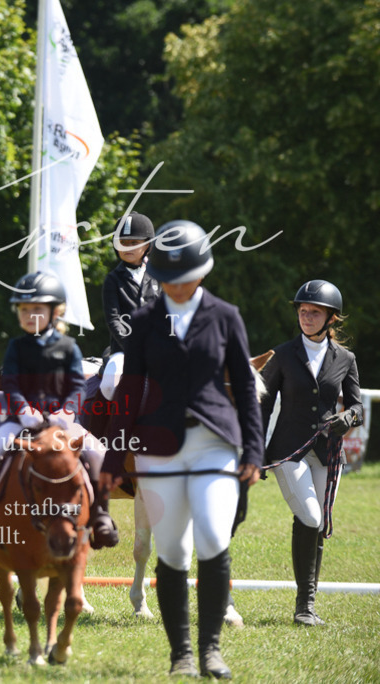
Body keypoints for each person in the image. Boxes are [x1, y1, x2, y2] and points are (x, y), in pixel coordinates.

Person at [100, 220, 263, 680]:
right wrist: (114, 457)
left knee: (212, 537)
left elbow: (246, 391)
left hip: (214, 442)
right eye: (168, 277)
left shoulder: (226, 316)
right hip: (158, 445)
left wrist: (253, 448)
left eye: (183, 276)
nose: (174, 285)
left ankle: (211, 648)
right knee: (171, 551)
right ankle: (182, 654)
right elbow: (129, 388)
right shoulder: (145, 321)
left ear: (202, 272)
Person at [0, 271, 119, 553]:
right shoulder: (16, 348)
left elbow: (76, 386)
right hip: (23, 422)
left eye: (36, 309)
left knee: (99, 453)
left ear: (55, 311)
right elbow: (10, 384)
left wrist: (68, 411)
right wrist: (23, 410)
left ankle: (100, 516)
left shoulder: (69, 347)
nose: (29, 315)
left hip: (62, 422)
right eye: (24, 310)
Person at [260, 279, 362, 626]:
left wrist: (348, 416)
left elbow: (357, 406)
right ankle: (305, 606)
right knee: (310, 517)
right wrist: (254, 452)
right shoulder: (282, 354)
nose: (306, 316)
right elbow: (262, 405)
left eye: (314, 312)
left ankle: (306, 606)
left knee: (315, 525)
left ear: (331, 317)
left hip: (327, 451)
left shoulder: (345, 358)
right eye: (302, 311)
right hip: (289, 451)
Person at [99, 211, 160, 402]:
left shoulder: (159, 277)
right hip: (123, 351)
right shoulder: (112, 280)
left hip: (157, 346)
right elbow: (114, 319)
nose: (128, 247)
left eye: (134, 243)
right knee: (109, 384)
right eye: (123, 243)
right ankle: (102, 429)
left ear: (147, 245)